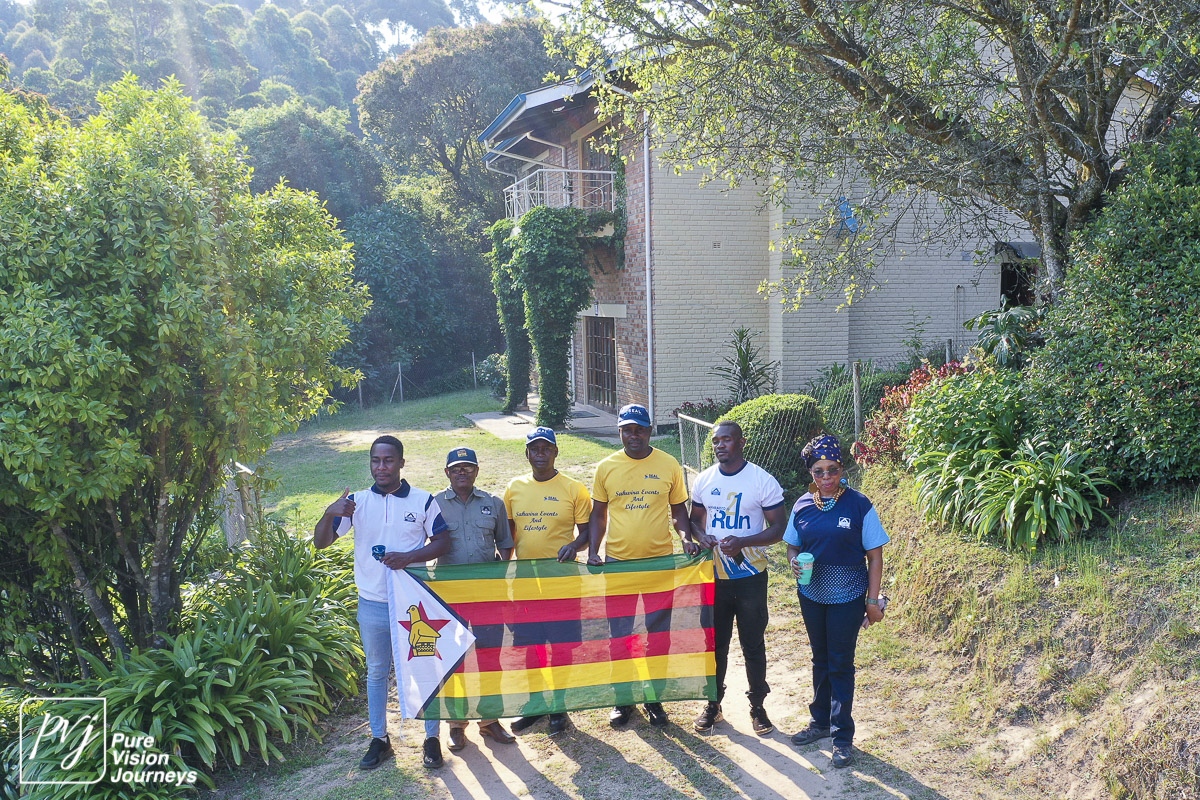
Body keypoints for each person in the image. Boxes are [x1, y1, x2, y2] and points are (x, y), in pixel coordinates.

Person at [313, 435, 449, 771]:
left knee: (425, 667)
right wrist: (329, 513)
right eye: (376, 460)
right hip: (372, 603)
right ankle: (379, 739)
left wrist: (409, 557)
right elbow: (322, 543)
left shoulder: (422, 500)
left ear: (401, 463)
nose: (381, 467)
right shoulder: (356, 503)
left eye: (388, 460)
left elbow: (443, 541)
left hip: (413, 605)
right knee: (376, 672)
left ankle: (432, 738)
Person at [587, 403, 698, 728]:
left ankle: (654, 698)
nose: (633, 435)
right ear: (619, 431)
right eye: (627, 430)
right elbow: (598, 514)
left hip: (659, 564)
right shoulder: (606, 467)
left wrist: (685, 539)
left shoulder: (668, 464)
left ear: (650, 431)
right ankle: (623, 700)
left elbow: (679, 511)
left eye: (640, 429)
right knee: (620, 635)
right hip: (618, 565)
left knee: (658, 634)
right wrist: (593, 550)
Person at [785, 433, 889, 769]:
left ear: (842, 468)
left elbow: (875, 556)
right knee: (820, 658)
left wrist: (872, 601)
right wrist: (793, 560)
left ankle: (842, 736)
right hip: (811, 594)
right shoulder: (802, 505)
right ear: (810, 472)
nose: (826, 477)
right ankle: (819, 722)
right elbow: (792, 545)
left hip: (848, 595)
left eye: (833, 470)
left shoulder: (859, 504)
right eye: (819, 471)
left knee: (841, 662)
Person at [688, 421, 787, 736]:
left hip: (750, 576)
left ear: (741, 442)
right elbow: (694, 521)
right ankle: (713, 704)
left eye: (727, 440)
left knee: (752, 644)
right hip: (714, 576)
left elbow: (779, 528)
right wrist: (702, 536)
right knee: (716, 644)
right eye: (716, 441)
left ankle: (758, 707)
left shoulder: (761, 480)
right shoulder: (704, 480)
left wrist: (744, 542)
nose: (720, 445)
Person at [504, 426, 593, 735]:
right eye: (534, 449)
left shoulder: (574, 489)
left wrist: (575, 546)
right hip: (527, 582)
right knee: (530, 645)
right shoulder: (514, 488)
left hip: (562, 583)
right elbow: (508, 534)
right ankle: (535, 703)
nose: (540, 454)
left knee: (561, 645)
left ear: (556, 452)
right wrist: (500, 569)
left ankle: (558, 705)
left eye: (546, 449)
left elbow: (587, 532)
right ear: (527, 453)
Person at [433, 447, 516, 758]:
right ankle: (456, 724)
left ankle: (490, 720)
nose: (462, 472)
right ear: (447, 473)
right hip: (449, 598)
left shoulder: (493, 504)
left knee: (490, 659)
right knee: (453, 661)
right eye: (456, 468)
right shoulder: (434, 504)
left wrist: (497, 576)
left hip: (486, 596)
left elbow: (505, 544)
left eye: (468, 467)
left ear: (477, 471)